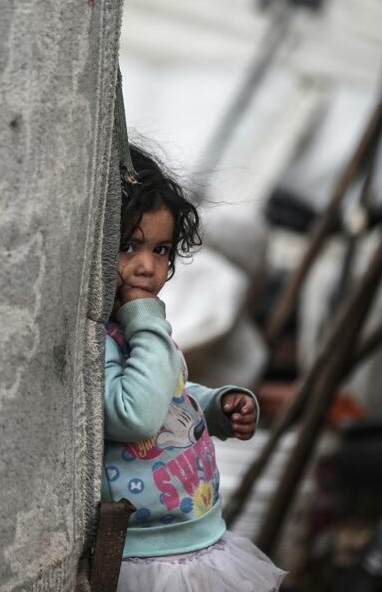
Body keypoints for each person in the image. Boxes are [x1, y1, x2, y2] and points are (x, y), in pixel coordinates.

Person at [103, 145, 286, 591]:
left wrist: (215, 406)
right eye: (129, 246)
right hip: (146, 556)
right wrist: (146, 320)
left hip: (197, 536)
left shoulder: (140, 329)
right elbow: (133, 415)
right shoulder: (103, 340)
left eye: (161, 249)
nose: (147, 266)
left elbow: (168, 396)